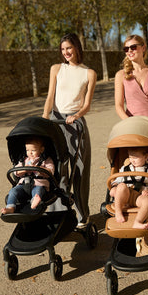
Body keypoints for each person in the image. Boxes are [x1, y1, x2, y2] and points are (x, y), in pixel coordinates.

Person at [42, 33, 97, 227]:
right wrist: (44, 118)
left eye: (69, 48)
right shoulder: (56, 69)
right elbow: (50, 97)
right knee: (58, 170)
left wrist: (77, 115)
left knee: (79, 171)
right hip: (56, 122)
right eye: (63, 49)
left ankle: (83, 215)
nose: (65, 52)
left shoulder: (88, 73)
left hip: (76, 123)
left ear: (77, 49)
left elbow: (87, 105)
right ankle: (59, 214)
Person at [114, 34, 148, 124]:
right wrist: (129, 122)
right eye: (126, 49)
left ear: (143, 48)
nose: (129, 51)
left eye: (133, 47)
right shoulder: (120, 75)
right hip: (132, 121)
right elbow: (118, 106)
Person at [110, 147, 148, 230]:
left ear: (146, 157)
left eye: (135, 157)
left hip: (139, 196)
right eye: (130, 157)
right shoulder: (125, 168)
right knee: (121, 186)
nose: (132, 160)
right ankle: (118, 212)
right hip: (125, 194)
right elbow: (117, 181)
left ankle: (138, 222)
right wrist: (114, 188)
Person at [1, 136, 55, 214]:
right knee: (13, 191)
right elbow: (16, 172)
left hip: (39, 184)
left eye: (33, 150)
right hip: (23, 184)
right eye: (27, 150)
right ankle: (10, 207)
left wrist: (38, 169)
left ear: (41, 150)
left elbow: (50, 171)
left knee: (38, 191)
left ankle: (35, 202)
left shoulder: (46, 160)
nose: (30, 153)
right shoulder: (24, 160)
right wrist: (24, 169)